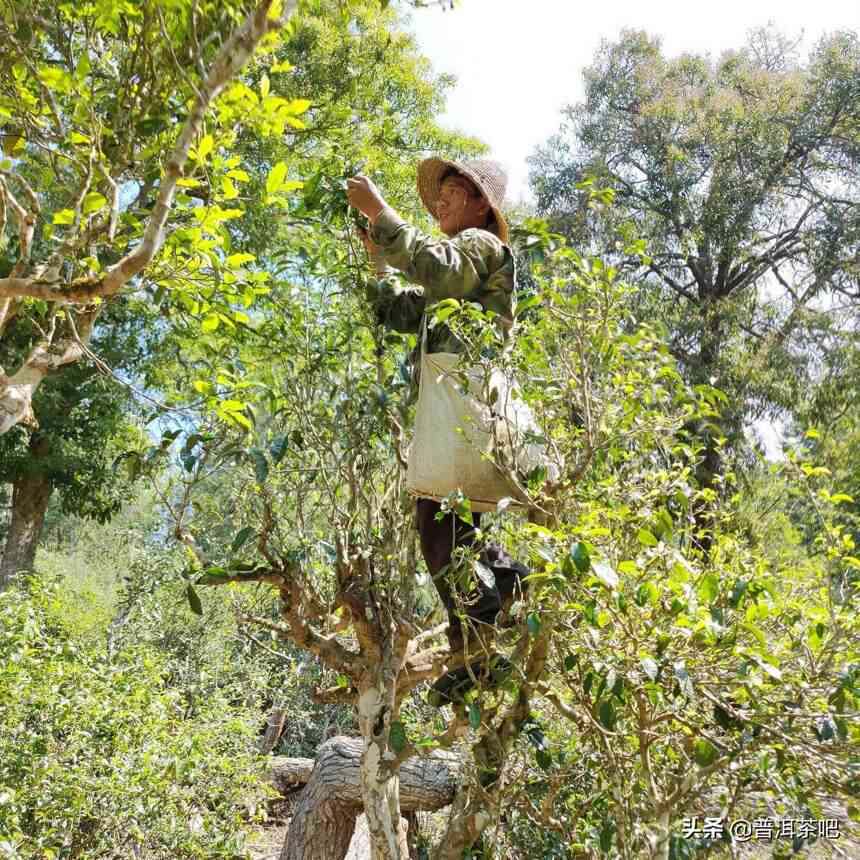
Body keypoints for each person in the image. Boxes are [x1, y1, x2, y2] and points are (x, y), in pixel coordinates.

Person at [346, 158, 529, 693]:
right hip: (448, 396)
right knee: (449, 525)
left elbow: (439, 267)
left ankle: (476, 643)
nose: (441, 200)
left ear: (480, 205)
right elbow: (400, 312)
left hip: (465, 395)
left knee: (434, 519)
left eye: (453, 191)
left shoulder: (482, 246)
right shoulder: (457, 267)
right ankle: (500, 594)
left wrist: (381, 212)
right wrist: (379, 262)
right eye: (441, 191)